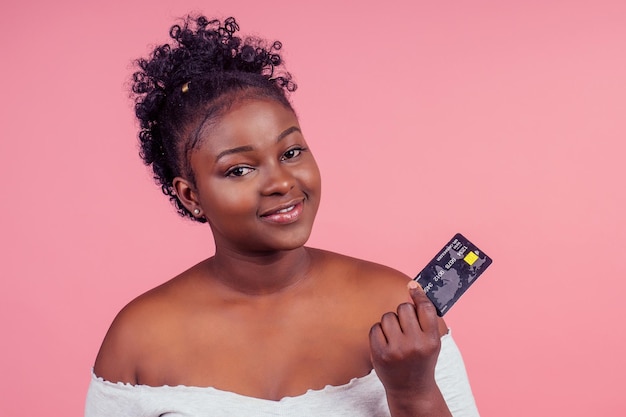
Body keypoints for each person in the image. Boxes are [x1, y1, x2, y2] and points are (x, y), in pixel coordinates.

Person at [85, 15, 480, 417]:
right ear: (190, 196)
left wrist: (413, 392)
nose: (280, 182)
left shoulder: (394, 306)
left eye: (291, 153)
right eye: (240, 169)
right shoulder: (137, 341)